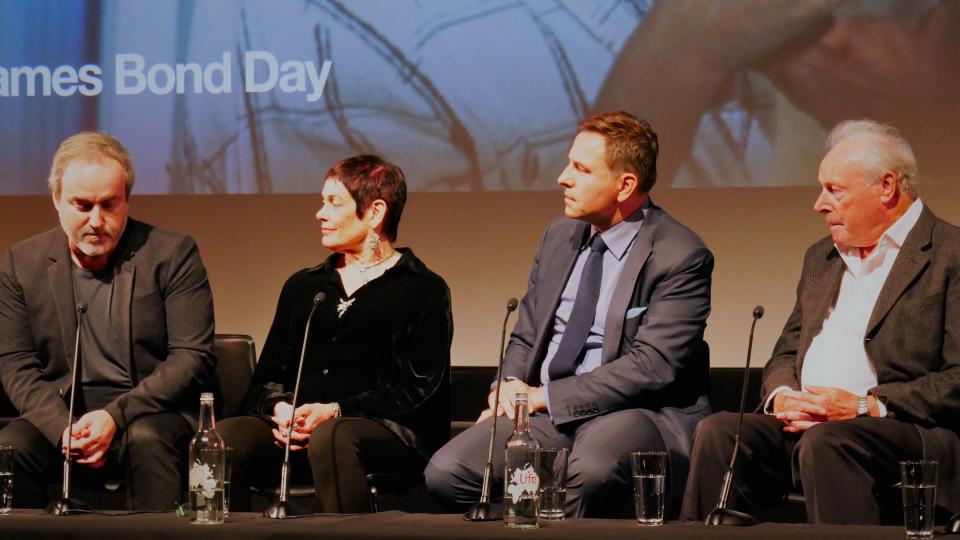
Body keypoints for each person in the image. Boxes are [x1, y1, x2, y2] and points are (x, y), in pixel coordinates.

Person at [425, 111, 713, 518]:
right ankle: (544, 497)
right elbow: (527, 334)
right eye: (568, 163)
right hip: (547, 413)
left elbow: (653, 367)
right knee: (447, 471)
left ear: (624, 184)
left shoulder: (679, 254)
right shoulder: (559, 236)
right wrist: (507, 386)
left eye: (580, 168)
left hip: (633, 411)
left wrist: (544, 398)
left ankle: (545, 497)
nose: (563, 177)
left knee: (591, 471)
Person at [680, 120, 960, 524]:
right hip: (810, 425)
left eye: (835, 190)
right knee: (720, 431)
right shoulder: (821, 258)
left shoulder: (949, 255)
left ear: (886, 187)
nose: (819, 203)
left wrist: (866, 405)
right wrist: (784, 396)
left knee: (829, 442)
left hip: (907, 431)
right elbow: (786, 352)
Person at [218, 154, 452, 513]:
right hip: (299, 433)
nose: (320, 213)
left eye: (333, 202)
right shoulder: (305, 286)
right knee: (226, 437)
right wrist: (279, 410)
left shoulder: (423, 289)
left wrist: (337, 410)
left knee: (332, 436)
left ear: (375, 213)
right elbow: (266, 379)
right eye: (321, 201)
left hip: (383, 433)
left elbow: (419, 388)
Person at [0, 131, 216, 510]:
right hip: (63, 413)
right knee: (11, 448)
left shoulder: (172, 254)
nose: (97, 221)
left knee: (147, 439)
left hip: (150, 408)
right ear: (56, 200)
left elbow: (192, 355)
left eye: (109, 205)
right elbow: (15, 364)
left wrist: (116, 415)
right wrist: (61, 429)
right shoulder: (21, 264)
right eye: (82, 206)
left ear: (126, 199)